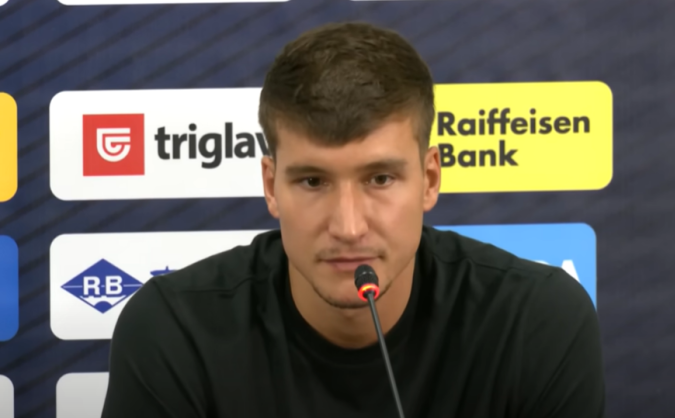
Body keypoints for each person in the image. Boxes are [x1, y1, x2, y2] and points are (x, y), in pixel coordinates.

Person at [101, 21, 605, 418]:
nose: (348, 227)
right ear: (270, 186)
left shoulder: (535, 323)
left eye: (380, 179)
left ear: (430, 180)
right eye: (312, 181)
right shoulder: (175, 332)